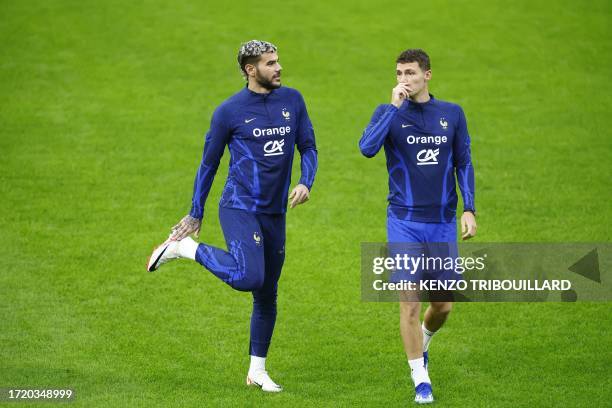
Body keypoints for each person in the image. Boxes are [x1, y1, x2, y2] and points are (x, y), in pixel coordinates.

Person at [147, 40, 318, 393]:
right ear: (249, 70)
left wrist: (305, 181)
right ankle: (184, 249)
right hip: (239, 205)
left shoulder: (293, 101)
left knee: (267, 293)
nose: (279, 68)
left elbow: (308, 146)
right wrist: (196, 212)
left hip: (275, 212)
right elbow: (209, 163)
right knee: (248, 276)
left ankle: (257, 371)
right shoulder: (229, 111)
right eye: (270, 63)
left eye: (278, 61)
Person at [359, 48, 477, 404]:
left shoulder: (452, 114)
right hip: (404, 222)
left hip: (441, 224)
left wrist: (469, 209)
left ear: (427, 74)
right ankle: (419, 379)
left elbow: (464, 162)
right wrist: (392, 108)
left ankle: (423, 342)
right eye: (398, 73)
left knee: (443, 305)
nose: (403, 80)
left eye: (409, 73)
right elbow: (366, 148)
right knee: (409, 303)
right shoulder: (388, 113)